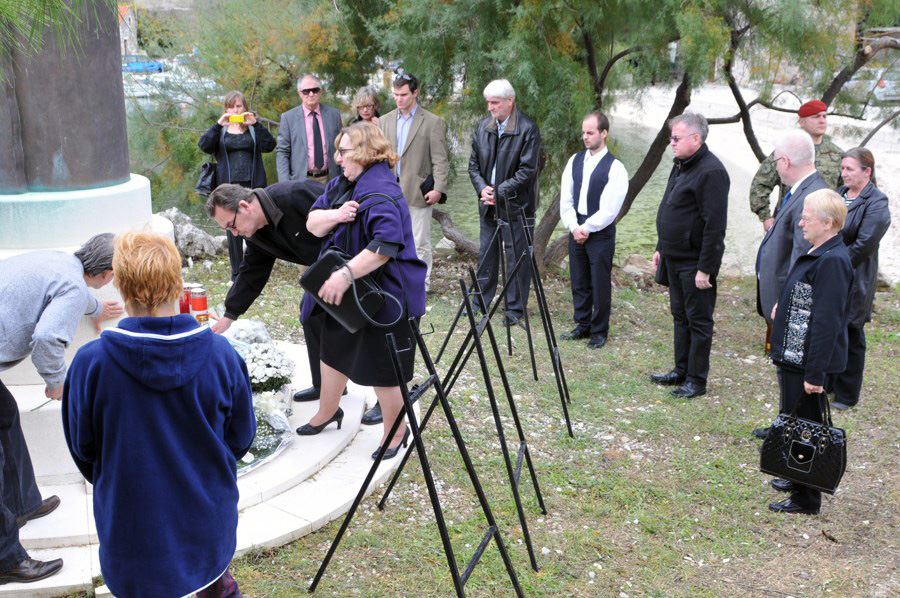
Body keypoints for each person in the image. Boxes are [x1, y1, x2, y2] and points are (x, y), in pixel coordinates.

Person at [63, 231, 255, 596]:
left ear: (120, 286)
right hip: (206, 519)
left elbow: (84, 449)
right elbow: (240, 438)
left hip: (131, 526)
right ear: (178, 284)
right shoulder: (222, 357)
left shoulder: (91, 364)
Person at [299, 122, 427, 461]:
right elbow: (312, 224)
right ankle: (328, 411)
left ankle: (395, 432)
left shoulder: (382, 191)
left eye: (344, 152)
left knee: (383, 369)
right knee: (332, 347)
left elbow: (385, 247)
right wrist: (336, 215)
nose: (337, 159)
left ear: (366, 153)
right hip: (355, 289)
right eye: (338, 151)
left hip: (386, 294)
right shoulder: (343, 184)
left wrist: (343, 276)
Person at [0, 233, 121, 585]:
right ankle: (7, 560)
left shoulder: (61, 262)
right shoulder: (73, 286)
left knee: (5, 415)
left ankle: (21, 504)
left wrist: (97, 309)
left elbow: (73, 294)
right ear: (106, 274)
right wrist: (56, 380)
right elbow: (47, 337)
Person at [206, 180, 334, 404]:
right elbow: (252, 272)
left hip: (355, 257)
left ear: (244, 206)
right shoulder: (256, 233)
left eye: (232, 225)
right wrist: (229, 314)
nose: (234, 234)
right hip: (323, 270)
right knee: (310, 314)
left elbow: (345, 213)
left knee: (367, 325)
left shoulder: (295, 195)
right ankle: (325, 386)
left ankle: (388, 399)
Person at [766, 189, 852, 515]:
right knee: (793, 418)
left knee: (807, 426)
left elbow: (827, 322)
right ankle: (795, 474)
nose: (801, 222)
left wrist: (815, 374)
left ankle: (806, 498)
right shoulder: (821, 251)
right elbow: (806, 295)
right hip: (794, 356)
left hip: (806, 362)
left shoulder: (833, 261)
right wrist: (784, 304)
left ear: (828, 223)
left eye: (807, 217)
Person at [752, 130, 828, 438]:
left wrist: (784, 300)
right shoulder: (801, 189)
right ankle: (786, 421)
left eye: (775, 161)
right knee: (786, 366)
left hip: (792, 301)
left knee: (793, 368)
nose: (776, 167)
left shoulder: (811, 196)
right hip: (785, 298)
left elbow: (803, 258)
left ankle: (792, 428)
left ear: (784, 162)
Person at [649, 112, 728, 399]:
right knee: (680, 316)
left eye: (676, 138)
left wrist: (706, 268)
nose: (671, 143)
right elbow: (670, 208)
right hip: (674, 256)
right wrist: (661, 246)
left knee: (699, 321)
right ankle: (681, 370)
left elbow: (714, 226)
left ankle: (696, 380)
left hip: (695, 262)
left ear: (696, 138)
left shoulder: (712, 172)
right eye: (671, 138)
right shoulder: (681, 164)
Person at [468, 79, 541, 327]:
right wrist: (482, 188)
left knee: (517, 258)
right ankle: (479, 303)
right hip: (488, 202)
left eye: (495, 102)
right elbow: (473, 165)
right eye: (488, 102)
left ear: (510, 101)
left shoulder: (528, 129)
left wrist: (498, 191)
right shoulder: (483, 127)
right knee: (487, 255)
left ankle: (514, 310)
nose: (490, 107)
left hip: (517, 206)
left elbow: (527, 171)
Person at [558, 111, 628, 349]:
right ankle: (583, 324)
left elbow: (610, 209)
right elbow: (566, 199)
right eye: (583, 133)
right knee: (579, 279)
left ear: (604, 133)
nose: (585, 137)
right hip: (576, 225)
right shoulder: (574, 161)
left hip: (600, 231)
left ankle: (599, 331)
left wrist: (587, 228)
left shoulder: (615, 168)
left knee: (599, 282)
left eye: (590, 132)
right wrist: (574, 226)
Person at [828, 148, 891, 410]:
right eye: (842, 168)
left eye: (850, 169)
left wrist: (835, 263)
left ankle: (847, 394)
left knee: (852, 331)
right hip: (832, 272)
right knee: (831, 327)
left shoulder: (876, 202)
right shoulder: (839, 195)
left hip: (855, 276)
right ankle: (829, 382)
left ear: (867, 171)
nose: (844, 173)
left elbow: (864, 243)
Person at [379, 70, 450, 293]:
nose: (399, 99)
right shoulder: (384, 121)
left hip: (418, 191)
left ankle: (420, 286)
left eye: (403, 95)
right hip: (389, 191)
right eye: (395, 95)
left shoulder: (432, 122)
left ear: (415, 93)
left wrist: (438, 188)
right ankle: (394, 282)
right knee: (389, 238)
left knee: (420, 242)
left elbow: (440, 160)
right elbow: (379, 156)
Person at [198, 90, 277, 282]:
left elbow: (270, 145)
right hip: (228, 187)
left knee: (256, 227)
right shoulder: (221, 131)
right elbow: (204, 145)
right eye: (231, 106)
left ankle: (256, 271)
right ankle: (236, 274)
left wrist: (255, 124)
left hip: (252, 185)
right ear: (226, 109)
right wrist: (218, 124)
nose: (235, 109)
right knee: (232, 228)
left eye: (239, 106)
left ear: (245, 108)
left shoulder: (252, 129)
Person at [749, 99, 843, 231]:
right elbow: (760, 183)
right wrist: (765, 217)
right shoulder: (786, 149)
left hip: (821, 229)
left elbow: (844, 193)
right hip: (787, 223)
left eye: (824, 116)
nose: (822, 121)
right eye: (816, 117)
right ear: (802, 122)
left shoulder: (837, 155)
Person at [276, 74, 342, 184]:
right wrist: (285, 183)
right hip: (301, 181)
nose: (311, 94)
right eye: (306, 91)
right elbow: (282, 152)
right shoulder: (288, 118)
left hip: (331, 179)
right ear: (299, 93)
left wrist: (344, 178)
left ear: (320, 91)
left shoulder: (334, 115)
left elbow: (341, 147)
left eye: (315, 90)